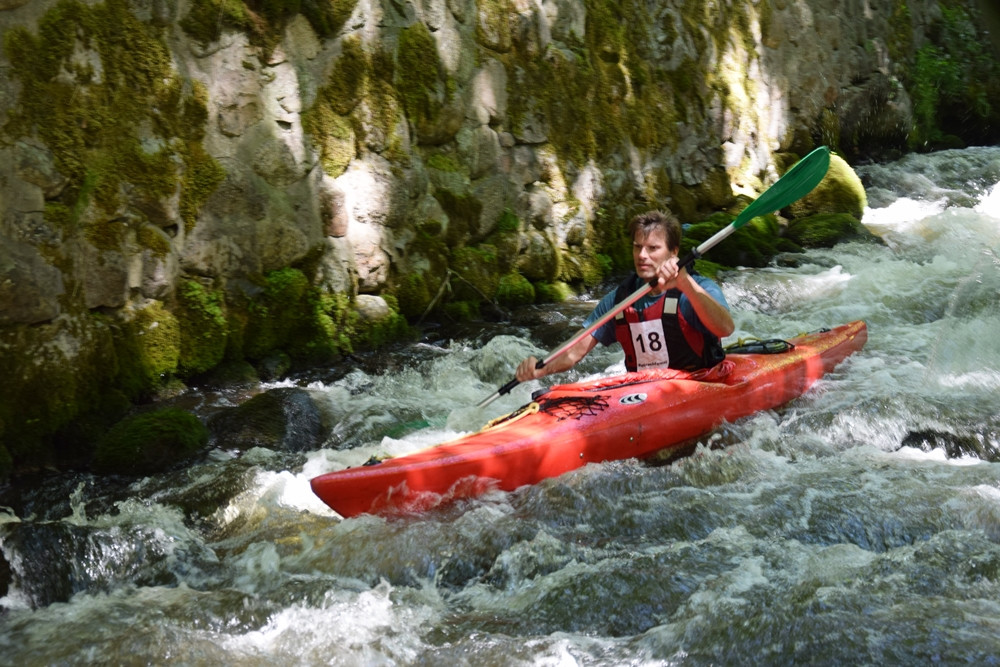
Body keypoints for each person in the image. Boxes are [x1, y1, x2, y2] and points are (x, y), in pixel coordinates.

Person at [515, 210, 735, 382]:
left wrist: (685, 284)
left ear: (673, 252)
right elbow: (574, 351)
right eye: (637, 247)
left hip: (698, 381)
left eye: (652, 248)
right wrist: (542, 368)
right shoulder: (619, 300)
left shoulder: (697, 289)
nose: (642, 255)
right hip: (643, 389)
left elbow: (725, 328)